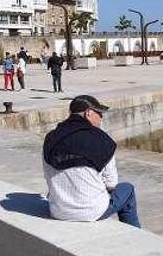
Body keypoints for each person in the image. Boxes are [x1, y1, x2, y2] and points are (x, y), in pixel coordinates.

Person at [43, 95, 139, 228]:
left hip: (58, 211)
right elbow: (111, 183)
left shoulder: (51, 138)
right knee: (127, 189)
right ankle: (134, 236)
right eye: (99, 114)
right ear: (88, 113)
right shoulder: (102, 140)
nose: (101, 119)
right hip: (91, 212)